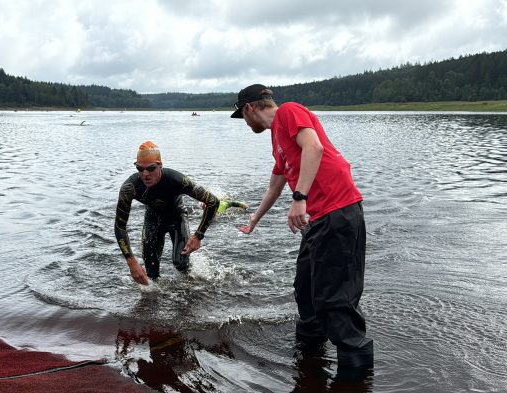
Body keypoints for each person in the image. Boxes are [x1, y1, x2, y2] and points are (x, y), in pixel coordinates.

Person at [231, 84, 374, 369]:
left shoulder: (288, 111)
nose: (245, 123)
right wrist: (254, 220)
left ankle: (355, 376)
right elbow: (275, 185)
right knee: (306, 290)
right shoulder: (277, 138)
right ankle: (308, 362)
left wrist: (299, 198)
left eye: (243, 116)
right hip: (320, 220)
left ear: (250, 109)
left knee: (335, 301)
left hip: (339, 213)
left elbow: (314, 147)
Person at [115, 141, 220, 285]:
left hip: (177, 219)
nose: (145, 174)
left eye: (151, 168)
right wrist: (132, 263)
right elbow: (120, 226)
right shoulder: (130, 187)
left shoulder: (177, 180)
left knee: (180, 265)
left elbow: (213, 201)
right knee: (150, 276)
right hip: (152, 221)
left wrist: (198, 236)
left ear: (160, 165)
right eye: (140, 168)